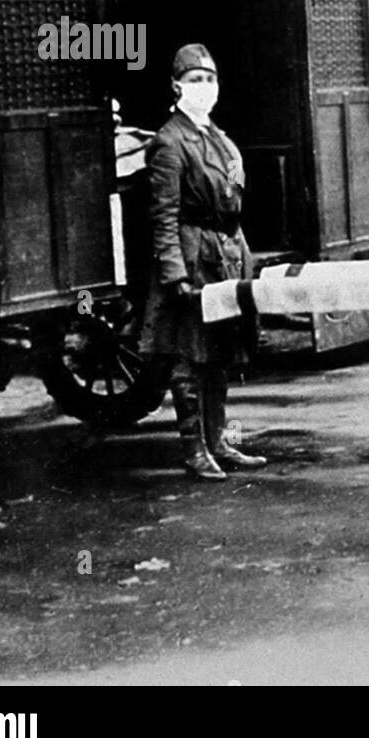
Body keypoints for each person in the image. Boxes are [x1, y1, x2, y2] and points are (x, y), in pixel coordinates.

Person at [140, 44, 266, 479]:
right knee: (188, 357)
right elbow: (163, 216)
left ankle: (217, 442)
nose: (205, 88)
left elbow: (231, 202)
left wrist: (242, 257)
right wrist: (174, 272)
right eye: (195, 80)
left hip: (223, 255)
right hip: (192, 258)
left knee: (221, 352)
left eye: (210, 79)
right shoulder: (170, 142)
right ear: (177, 87)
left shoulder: (218, 136)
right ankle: (194, 450)